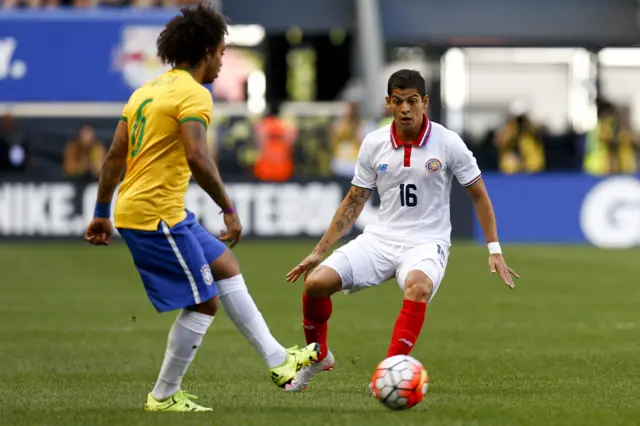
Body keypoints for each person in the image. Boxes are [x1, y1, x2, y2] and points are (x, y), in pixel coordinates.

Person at [84, 4, 318, 413]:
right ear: (207, 51)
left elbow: (112, 160)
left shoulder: (145, 91)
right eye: (222, 53)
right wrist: (227, 207)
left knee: (226, 265)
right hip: (155, 215)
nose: (222, 62)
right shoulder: (195, 94)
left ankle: (279, 361)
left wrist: (102, 211)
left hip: (155, 209)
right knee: (204, 302)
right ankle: (163, 396)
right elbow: (197, 155)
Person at [285, 69, 519, 392]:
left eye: (412, 101)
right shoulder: (373, 143)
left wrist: (494, 249)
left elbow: (479, 194)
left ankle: (389, 371)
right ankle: (318, 355)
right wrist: (319, 250)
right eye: (398, 101)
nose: (405, 108)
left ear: (425, 102)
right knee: (315, 284)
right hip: (380, 239)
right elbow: (354, 201)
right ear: (388, 103)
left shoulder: (448, 143)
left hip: (427, 243)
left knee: (418, 287)